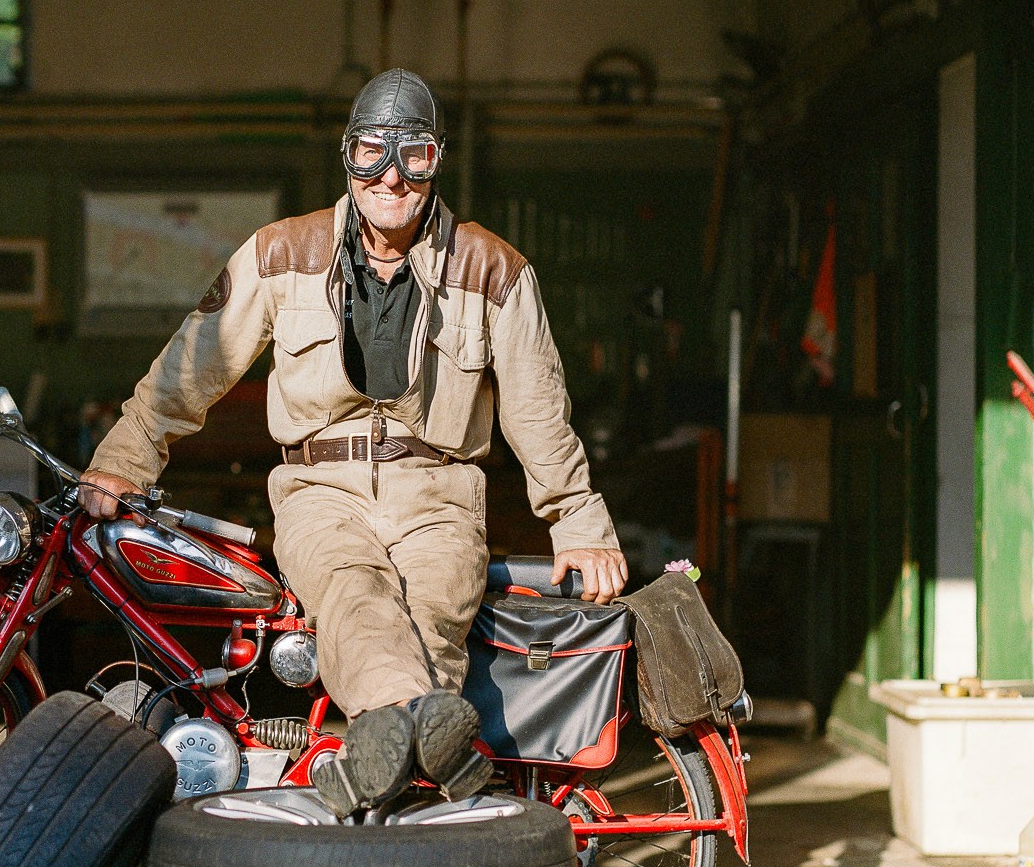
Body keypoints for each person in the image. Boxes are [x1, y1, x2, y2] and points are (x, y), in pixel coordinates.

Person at [80, 68, 626, 817]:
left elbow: (538, 410)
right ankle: (426, 739)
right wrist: (121, 458)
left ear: (437, 162)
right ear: (347, 155)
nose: (391, 177)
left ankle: (382, 753)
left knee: (436, 607)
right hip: (318, 492)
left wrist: (580, 521)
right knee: (351, 591)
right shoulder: (280, 252)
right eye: (372, 151)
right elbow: (188, 369)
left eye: (414, 156)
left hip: (440, 495)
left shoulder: (493, 268)